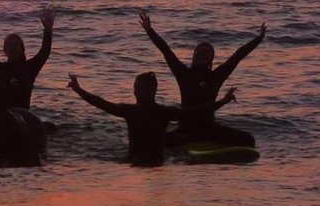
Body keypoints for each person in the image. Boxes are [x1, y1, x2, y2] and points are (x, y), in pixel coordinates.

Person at [139, 12, 262, 147]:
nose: (201, 55)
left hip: (208, 127)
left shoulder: (216, 76)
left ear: (211, 60)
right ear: (193, 56)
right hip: (186, 128)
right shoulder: (183, 73)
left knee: (248, 139)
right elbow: (166, 51)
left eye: (206, 53)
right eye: (199, 52)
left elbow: (238, 56)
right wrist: (149, 30)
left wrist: (259, 38)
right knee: (155, 141)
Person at [69, 72, 237, 167]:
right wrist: (79, 90)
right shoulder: (130, 111)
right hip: (134, 161)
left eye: (141, 89)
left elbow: (192, 112)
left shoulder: (162, 112)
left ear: (153, 90)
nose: (136, 92)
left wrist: (221, 102)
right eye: (135, 89)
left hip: (156, 163)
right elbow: (102, 104)